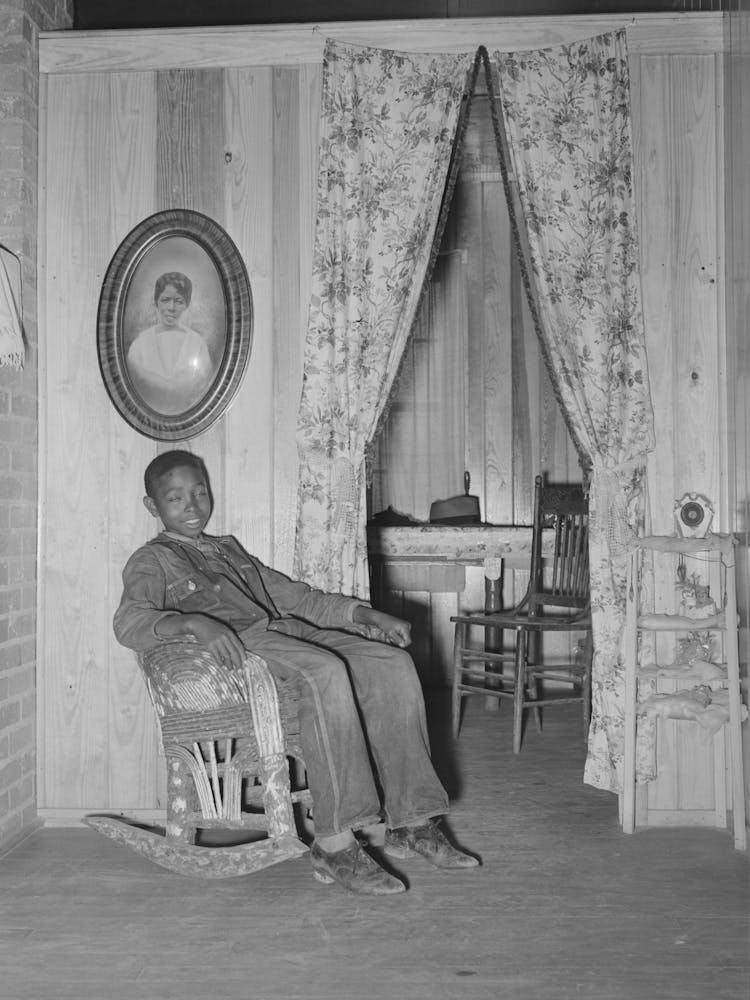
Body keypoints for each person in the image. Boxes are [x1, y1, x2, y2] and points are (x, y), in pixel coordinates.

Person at [114, 450, 479, 896]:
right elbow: (129, 622)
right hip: (246, 649)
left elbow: (299, 599)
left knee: (392, 663)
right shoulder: (152, 560)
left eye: (199, 492)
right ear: (153, 506)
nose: (191, 506)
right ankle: (336, 842)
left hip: (288, 632)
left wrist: (365, 616)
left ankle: (413, 820)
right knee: (324, 671)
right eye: (175, 498)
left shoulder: (228, 549)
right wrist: (192, 622)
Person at [126, 272, 213, 415]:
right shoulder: (139, 345)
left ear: (186, 304)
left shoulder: (198, 345)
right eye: (165, 300)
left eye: (178, 301)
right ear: (156, 302)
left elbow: (204, 388)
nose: (171, 307)